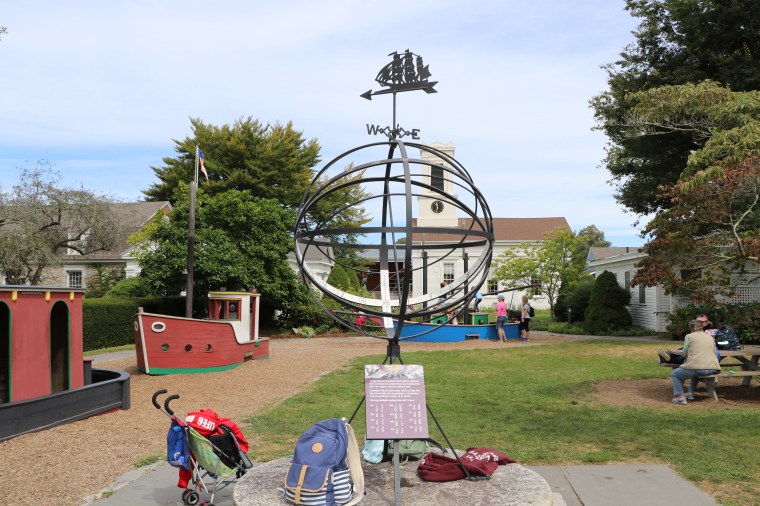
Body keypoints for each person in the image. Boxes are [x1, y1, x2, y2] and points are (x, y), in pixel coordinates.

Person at [670, 319, 721, 404]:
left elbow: (685, 353)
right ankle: (690, 393)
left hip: (698, 368)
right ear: (701, 327)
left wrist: (673, 352)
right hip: (713, 368)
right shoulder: (709, 337)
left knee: (676, 373)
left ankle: (680, 397)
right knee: (695, 371)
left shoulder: (689, 336)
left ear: (691, 328)